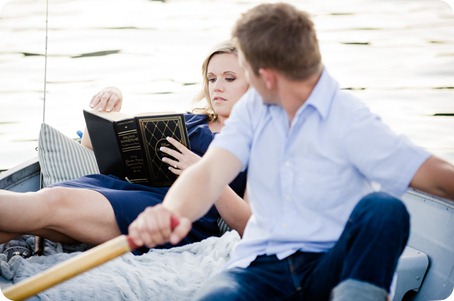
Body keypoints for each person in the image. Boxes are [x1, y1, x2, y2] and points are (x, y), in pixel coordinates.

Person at [127, 3, 454, 301]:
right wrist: (170, 212)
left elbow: (435, 177)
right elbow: (210, 172)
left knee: (384, 209)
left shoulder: (350, 119)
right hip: (265, 266)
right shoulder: (255, 109)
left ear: (266, 76)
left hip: (333, 265)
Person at [0, 41, 251, 255]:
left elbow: (250, 224)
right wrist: (111, 102)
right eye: (211, 78)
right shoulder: (190, 120)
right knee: (26, 215)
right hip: (125, 187)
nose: (217, 86)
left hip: (172, 213)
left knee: (52, 201)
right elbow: (94, 144)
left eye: (229, 78)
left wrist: (204, 173)